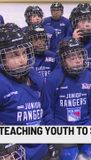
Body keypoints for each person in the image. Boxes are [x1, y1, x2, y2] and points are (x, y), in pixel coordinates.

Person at [43, 38, 91, 160]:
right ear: (63, 61)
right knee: (68, 155)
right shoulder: (53, 79)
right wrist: (53, 131)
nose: (77, 61)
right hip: (63, 126)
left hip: (86, 124)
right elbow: (48, 109)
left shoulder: (89, 76)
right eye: (72, 58)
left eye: (80, 56)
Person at [0, 23, 53, 160]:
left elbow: (46, 111)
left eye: (24, 52)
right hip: (15, 152)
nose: (22, 60)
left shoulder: (37, 78)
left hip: (40, 148)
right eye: (14, 55)